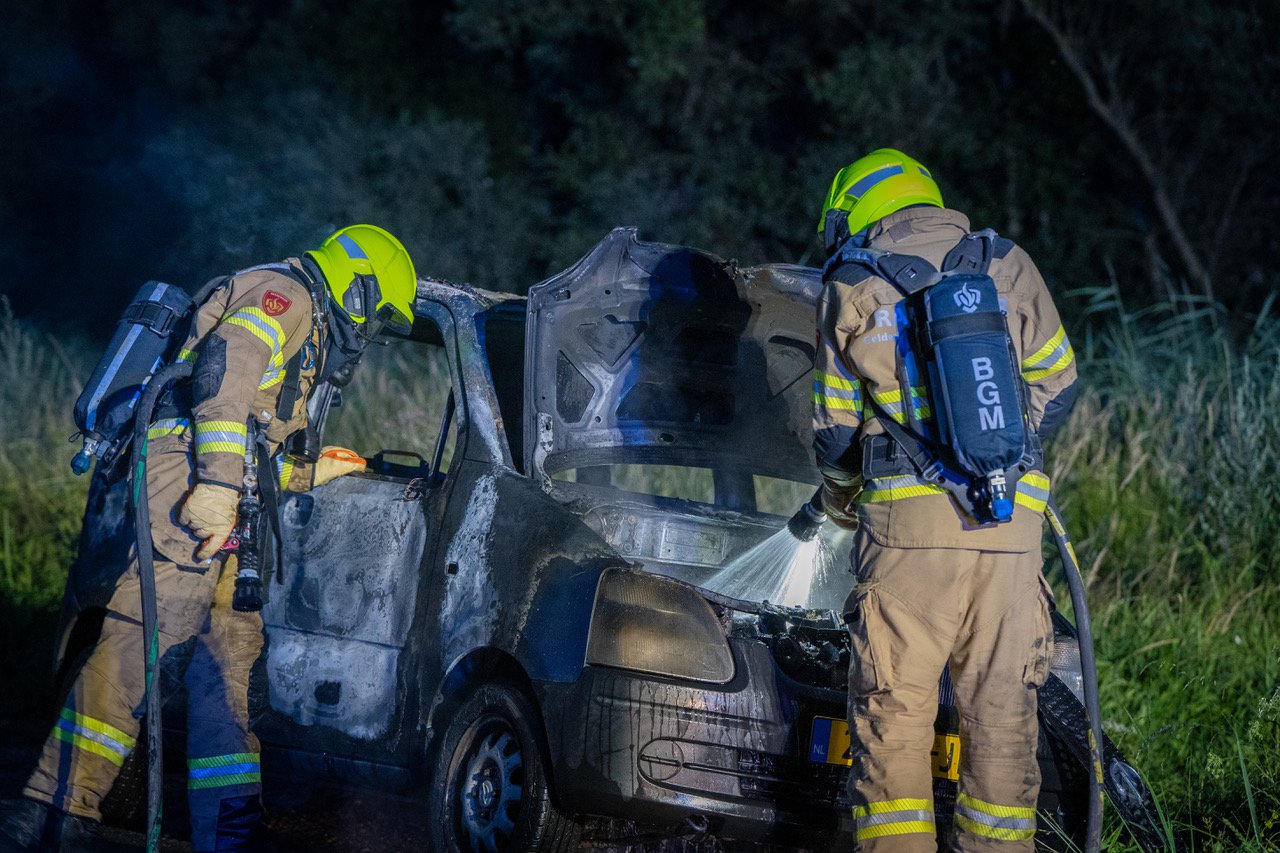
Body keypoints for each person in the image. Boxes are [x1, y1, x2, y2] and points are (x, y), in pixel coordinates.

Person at [0, 224, 417, 852]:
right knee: (141, 642)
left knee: (227, 668)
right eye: (380, 315)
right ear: (360, 288)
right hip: (189, 482)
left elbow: (251, 441)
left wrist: (311, 470)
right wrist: (218, 488)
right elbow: (225, 377)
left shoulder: (304, 324)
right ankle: (53, 815)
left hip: (227, 499)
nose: (373, 331)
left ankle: (229, 833)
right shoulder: (288, 296)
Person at [811, 149, 1077, 851]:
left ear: (856, 212)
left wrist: (841, 498)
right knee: (1002, 720)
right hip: (1010, 530)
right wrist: (995, 461)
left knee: (894, 721)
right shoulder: (1005, 263)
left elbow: (835, 433)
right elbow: (1061, 383)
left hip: (908, 539)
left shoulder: (851, 284)